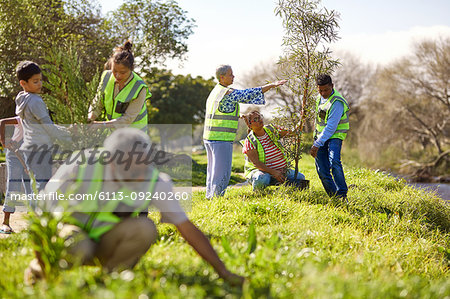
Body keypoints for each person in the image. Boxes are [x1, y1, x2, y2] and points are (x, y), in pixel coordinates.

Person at [25, 128, 244, 286]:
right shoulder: (80, 165)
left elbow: (186, 228)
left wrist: (223, 271)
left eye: (143, 164)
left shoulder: (155, 181)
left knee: (145, 228)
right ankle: (40, 273)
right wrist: (41, 260)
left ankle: (109, 282)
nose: (139, 173)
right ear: (110, 159)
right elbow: (41, 215)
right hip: (72, 238)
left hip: (108, 243)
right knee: (77, 245)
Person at [203, 64, 287, 199]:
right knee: (222, 171)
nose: (233, 76)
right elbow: (248, 94)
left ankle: (210, 196)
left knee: (213, 170)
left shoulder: (216, 91)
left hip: (209, 137)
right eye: (230, 74)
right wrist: (271, 85)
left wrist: (238, 116)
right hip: (221, 139)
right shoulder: (228, 93)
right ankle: (217, 198)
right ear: (222, 77)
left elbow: (221, 111)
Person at [15, 61, 70, 193]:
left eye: (40, 80)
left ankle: (35, 211)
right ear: (23, 83)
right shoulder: (36, 101)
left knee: (36, 185)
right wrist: (69, 134)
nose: (40, 84)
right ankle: (42, 212)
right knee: (44, 186)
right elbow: (49, 128)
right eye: (35, 81)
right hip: (40, 149)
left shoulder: (22, 99)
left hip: (29, 148)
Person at [88, 41, 151, 129]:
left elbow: (127, 119)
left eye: (122, 72)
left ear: (131, 69)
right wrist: (89, 119)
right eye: (114, 71)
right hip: (112, 131)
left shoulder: (140, 88)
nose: (117, 75)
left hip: (134, 134)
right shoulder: (106, 76)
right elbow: (97, 103)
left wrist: (101, 125)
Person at [242, 111, 305, 190]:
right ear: (249, 125)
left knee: (300, 178)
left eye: (260, 117)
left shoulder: (272, 130)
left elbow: (292, 132)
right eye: (256, 119)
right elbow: (256, 163)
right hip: (261, 172)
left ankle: (283, 190)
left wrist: (302, 118)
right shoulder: (250, 141)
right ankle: (258, 194)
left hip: (282, 171)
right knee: (261, 179)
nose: (260, 120)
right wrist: (273, 172)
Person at [310, 74, 349, 199]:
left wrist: (317, 144)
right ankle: (334, 198)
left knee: (334, 162)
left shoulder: (337, 102)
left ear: (332, 86)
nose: (323, 93)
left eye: (326, 90)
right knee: (322, 170)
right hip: (321, 136)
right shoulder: (319, 98)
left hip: (335, 135)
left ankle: (342, 194)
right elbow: (318, 120)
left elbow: (331, 127)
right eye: (320, 90)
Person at [0, 116, 31, 233]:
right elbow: (2, 122)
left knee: (32, 186)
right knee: (14, 184)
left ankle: (35, 222)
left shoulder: (40, 121)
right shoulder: (21, 118)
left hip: (29, 154)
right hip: (14, 154)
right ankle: (5, 222)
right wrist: (3, 140)